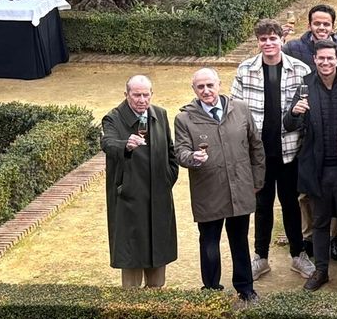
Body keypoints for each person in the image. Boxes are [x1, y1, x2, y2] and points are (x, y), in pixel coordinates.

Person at [231, 19, 313, 281]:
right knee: (262, 205)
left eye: (272, 38)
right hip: (258, 154)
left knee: (291, 204)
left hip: (289, 151)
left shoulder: (300, 70)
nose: (268, 43)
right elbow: (234, 111)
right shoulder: (245, 71)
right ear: (258, 42)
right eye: (263, 39)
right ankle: (261, 258)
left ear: (281, 40)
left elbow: (306, 110)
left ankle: (298, 255)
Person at [175, 68, 264, 303]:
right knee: (209, 243)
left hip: (239, 189)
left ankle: (246, 288)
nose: (206, 90)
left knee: (240, 241)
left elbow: (256, 147)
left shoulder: (241, 109)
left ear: (219, 84)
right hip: (208, 192)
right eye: (200, 87)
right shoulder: (184, 119)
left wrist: (257, 181)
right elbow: (180, 151)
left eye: (210, 85)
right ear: (194, 89)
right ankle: (212, 290)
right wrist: (193, 157)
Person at [287, 44, 337, 292]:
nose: (326, 62)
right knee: (319, 223)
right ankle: (321, 271)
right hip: (317, 170)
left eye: (331, 58)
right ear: (314, 59)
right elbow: (289, 123)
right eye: (322, 58)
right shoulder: (305, 87)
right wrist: (295, 113)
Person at [102, 75, 178, 289]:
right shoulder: (113, 118)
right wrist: (125, 144)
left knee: (158, 258)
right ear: (126, 95)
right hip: (129, 199)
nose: (142, 99)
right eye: (136, 95)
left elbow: (170, 151)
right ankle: (132, 310)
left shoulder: (160, 115)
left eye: (146, 94)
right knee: (132, 258)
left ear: (151, 94)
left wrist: (167, 177)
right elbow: (107, 143)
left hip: (158, 195)